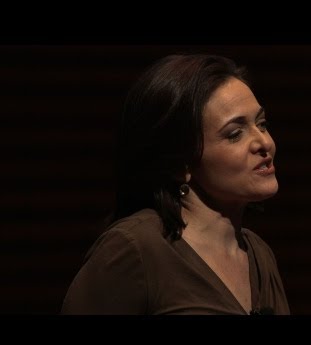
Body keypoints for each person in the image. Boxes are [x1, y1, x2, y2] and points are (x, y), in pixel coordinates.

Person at [61, 54, 290, 315]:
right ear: (181, 163)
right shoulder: (136, 249)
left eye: (262, 124)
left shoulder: (259, 254)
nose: (264, 142)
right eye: (235, 134)